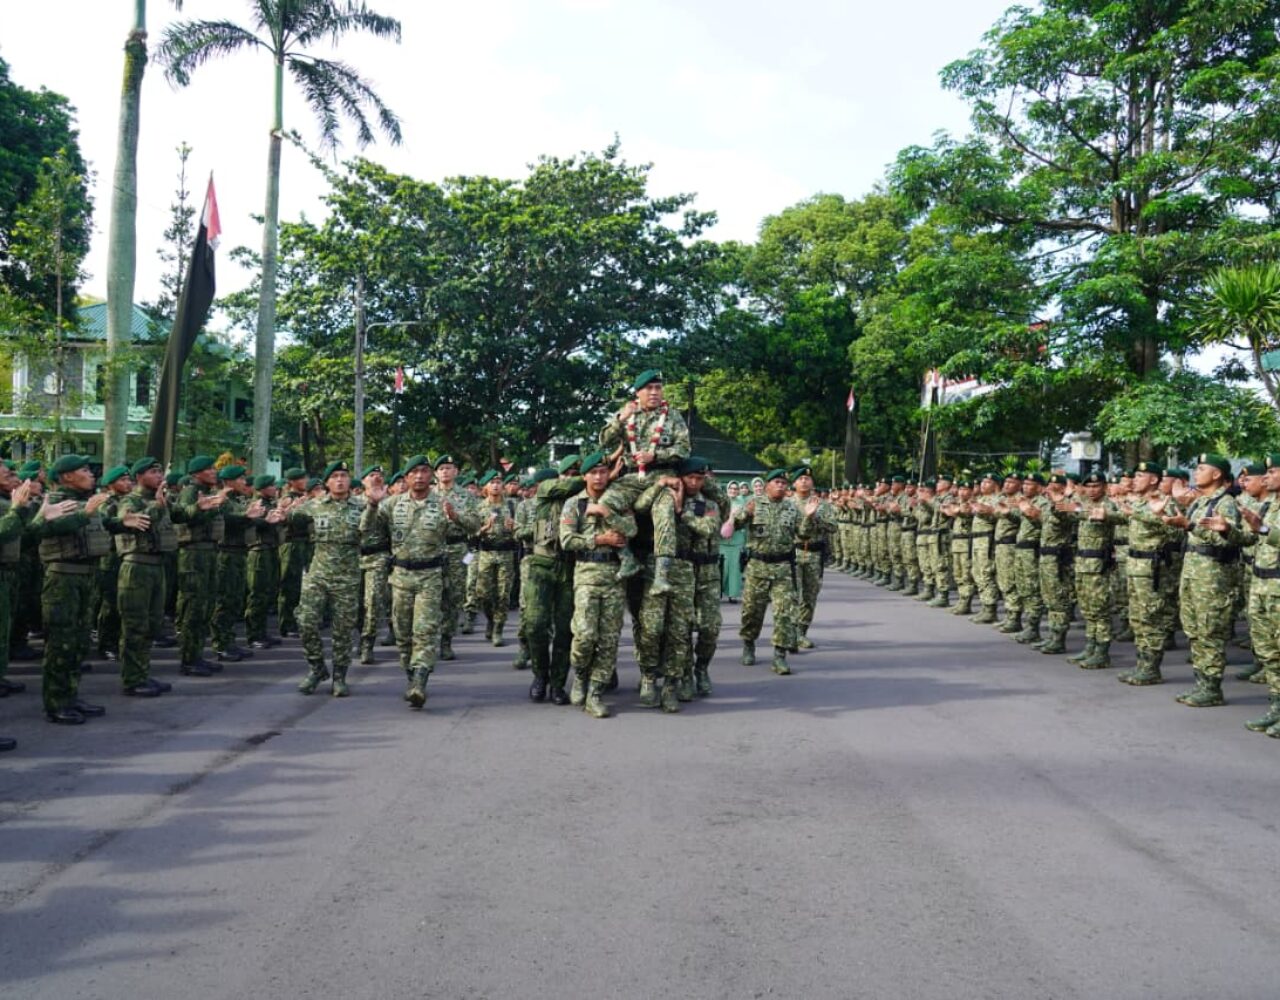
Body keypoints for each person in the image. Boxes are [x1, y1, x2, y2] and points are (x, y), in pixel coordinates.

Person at [363, 455, 480, 708]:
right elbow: (368, 532)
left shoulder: (443, 503)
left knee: (425, 631)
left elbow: (475, 526)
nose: (419, 476)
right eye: (414, 472)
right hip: (401, 576)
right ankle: (411, 675)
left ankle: (420, 681)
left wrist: (456, 516)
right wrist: (372, 505)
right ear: (406, 477)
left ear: (431, 476)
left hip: (431, 576)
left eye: (424, 471)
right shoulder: (392, 504)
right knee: (403, 633)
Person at [1155, 454, 1244, 708]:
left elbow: (1228, 541)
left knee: (1210, 632)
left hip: (1213, 579)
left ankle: (1212, 688)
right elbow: (1189, 532)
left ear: (1216, 474)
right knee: (1194, 632)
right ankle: (1202, 684)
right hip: (1193, 575)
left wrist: (1191, 526)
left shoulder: (1225, 503)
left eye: (1202, 468)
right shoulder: (1200, 501)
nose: (1196, 472)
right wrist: (1171, 519)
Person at [634, 456, 720, 711]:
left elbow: (709, 528)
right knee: (651, 628)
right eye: (690, 477)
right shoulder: (662, 496)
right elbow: (640, 506)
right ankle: (649, 676)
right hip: (655, 567)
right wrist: (660, 485)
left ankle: (672, 683)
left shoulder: (707, 504)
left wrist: (683, 512)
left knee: (680, 631)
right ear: (680, 477)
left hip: (684, 569)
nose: (694, 482)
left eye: (699, 478)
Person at [598, 370, 690, 596]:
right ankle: (626, 558)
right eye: (649, 388)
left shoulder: (672, 416)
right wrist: (620, 419)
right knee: (605, 502)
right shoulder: (627, 413)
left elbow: (684, 449)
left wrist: (655, 456)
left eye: (658, 388)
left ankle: (661, 577)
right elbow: (604, 442)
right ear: (638, 393)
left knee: (664, 512)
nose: (654, 392)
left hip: (662, 475)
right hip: (631, 478)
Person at [35, 455, 111, 725]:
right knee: (61, 643)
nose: (91, 474)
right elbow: (50, 529)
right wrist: (85, 514)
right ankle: (56, 702)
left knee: (78, 642)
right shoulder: (55, 502)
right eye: (84, 470)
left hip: (85, 577)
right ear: (67, 476)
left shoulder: (85, 503)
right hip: (62, 579)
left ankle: (70, 694)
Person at [559, 450, 636, 718]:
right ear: (585, 476)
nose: (599, 477)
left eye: (603, 472)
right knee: (584, 636)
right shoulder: (574, 504)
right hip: (587, 577)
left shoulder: (618, 500)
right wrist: (600, 540)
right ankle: (581, 675)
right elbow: (567, 540)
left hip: (614, 577)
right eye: (594, 472)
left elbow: (631, 529)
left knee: (609, 639)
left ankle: (595, 692)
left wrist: (607, 513)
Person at [288, 461, 366, 697]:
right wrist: (284, 513)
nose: (340, 480)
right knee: (305, 620)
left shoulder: (362, 507)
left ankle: (340, 676)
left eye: (344, 476)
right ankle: (316, 667)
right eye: (335, 477)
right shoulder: (313, 506)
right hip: (318, 574)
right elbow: (292, 522)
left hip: (347, 577)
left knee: (343, 630)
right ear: (327, 482)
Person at [736, 468, 817, 675]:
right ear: (767, 485)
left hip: (783, 569)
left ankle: (779, 656)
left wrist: (809, 517)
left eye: (783, 483)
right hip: (757, 567)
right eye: (777, 482)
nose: (781, 486)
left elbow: (803, 534)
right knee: (752, 612)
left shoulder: (792, 508)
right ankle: (748, 644)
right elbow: (734, 525)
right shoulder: (755, 504)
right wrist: (745, 513)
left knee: (784, 614)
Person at [112, 457, 178, 698]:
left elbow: (182, 515)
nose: (159, 476)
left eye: (160, 472)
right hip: (137, 566)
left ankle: (142, 672)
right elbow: (136, 522)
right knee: (135, 625)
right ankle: (132, 679)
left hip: (157, 566)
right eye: (153, 472)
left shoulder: (159, 499)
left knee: (152, 624)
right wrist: (157, 506)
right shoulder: (130, 500)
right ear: (139, 477)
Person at [517, 458, 582, 703]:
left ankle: (557, 683)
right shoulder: (547, 490)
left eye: (576, 472)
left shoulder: (582, 500)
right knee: (535, 624)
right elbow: (569, 486)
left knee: (565, 630)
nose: (571, 477)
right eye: (567, 473)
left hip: (570, 567)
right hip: (542, 564)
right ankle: (540, 675)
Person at [171, 455, 228, 676]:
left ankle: (197, 655)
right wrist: (204, 507)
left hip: (208, 552)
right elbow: (184, 516)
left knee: (205, 606)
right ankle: (188, 659)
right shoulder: (190, 492)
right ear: (196, 473)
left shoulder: (208, 492)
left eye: (214, 468)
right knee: (193, 607)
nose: (214, 472)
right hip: (193, 553)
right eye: (208, 469)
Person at [1058, 471, 1122, 669]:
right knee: (1087, 608)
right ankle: (1090, 646)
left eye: (1096, 486)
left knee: (1099, 609)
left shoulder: (1108, 505)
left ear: (1104, 487)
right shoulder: (1084, 504)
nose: (1092, 490)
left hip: (1098, 565)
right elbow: (1065, 512)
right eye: (1088, 486)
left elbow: (1112, 516)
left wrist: (1077, 509)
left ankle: (1102, 652)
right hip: (1082, 563)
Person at [1238, 453, 1280, 736]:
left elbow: (1264, 532)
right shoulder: (1269, 505)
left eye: (1273, 472)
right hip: (1262, 584)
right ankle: (1276, 708)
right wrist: (1226, 530)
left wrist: (1263, 528)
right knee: (1269, 653)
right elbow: (1251, 539)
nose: (1266, 477)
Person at [211, 464, 266, 664]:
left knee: (234, 600)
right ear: (229, 482)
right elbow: (225, 519)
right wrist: (246, 516)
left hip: (239, 552)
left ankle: (229, 641)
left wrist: (259, 518)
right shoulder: (221, 500)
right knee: (224, 601)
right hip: (226, 553)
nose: (244, 482)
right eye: (240, 479)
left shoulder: (237, 500)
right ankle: (221, 644)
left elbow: (247, 519)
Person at [790, 464, 837, 648]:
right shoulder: (788, 504)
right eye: (800, 478)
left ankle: (801, 632)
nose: (804, 481)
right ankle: (790, 631)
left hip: (814, 554)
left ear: (812, 482)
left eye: (807, 479)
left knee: (810, 596)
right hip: (793, 553)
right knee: (792, 595)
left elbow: (833, 526)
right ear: (794, 483)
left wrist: (815, 516)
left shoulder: (821, 504)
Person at [475, 470, 519, 646]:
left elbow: (521, 531)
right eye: (492, 482)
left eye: (499, 482)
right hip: (486, 553)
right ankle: (490, 620)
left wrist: (514, 528)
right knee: (483, 593)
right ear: (486, 486)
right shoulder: (479, 507)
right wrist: (483, 529)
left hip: (506, 554)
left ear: (503, 486)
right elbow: (471, 533)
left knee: (503, 594)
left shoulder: (513, 506)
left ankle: (498, 629)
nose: (495, 485)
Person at [244, 474, 286, 650]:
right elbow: (252, 523)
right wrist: (267, 521)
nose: (275, 488)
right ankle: (254, 635)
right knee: (257, 594)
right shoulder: (257, 504)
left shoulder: (270, 503)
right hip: (259, 551)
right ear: (262, 489)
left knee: (266, 593)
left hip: (270, 549)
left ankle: (261, 632)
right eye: (271, 486)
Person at [357, 464, 392, 663]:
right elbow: (360, 528)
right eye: (371, 475)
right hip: (353, 558)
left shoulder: (390, 503)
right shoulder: (353, 502)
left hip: (378, 557)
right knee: (355, 605)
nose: (376, 478)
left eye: (379, 475)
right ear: (363, 481)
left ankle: (367, 644)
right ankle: (359, 636)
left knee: (372, 603)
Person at [276, 467, 311, 637]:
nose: (305, 481)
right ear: (292, 482)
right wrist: (293, 507)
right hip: (291, 543)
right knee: (289, 585)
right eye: (301, 479)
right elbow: (283, 519)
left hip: (304, 542)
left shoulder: (305, 497)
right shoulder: (287, 499)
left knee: (300, 586)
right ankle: (287, 624)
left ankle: (295, 620)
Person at [719, 482, 746, 601]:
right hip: (722, 541)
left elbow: (744, 521)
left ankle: (733, 594)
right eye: (731, 488)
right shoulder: (722, 502)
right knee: (722, 568)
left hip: (737, 541)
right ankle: (718, 592)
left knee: (735, 569)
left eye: (736, 489)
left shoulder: (742, 504)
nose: (733, 491)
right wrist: (730, 516)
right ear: (727, 489)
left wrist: (736, 517)